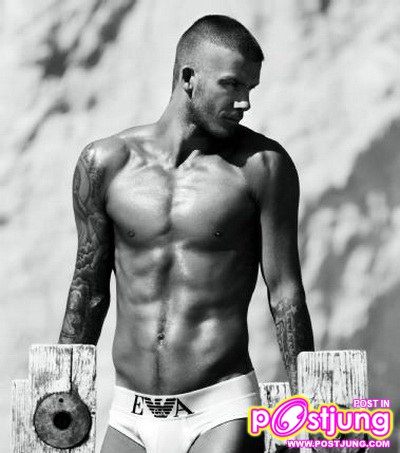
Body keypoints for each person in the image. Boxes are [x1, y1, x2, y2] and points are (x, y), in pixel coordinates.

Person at [58, 14, 314, 453]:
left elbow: (285, 293)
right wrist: (60, 386)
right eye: (232, 85)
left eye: (250, 89)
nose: (245, 102)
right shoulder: (105, 164)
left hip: (222, 409)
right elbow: (89, 287)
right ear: (188, 78)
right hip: (129, 415)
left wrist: (309, 398)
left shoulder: (263, 167)